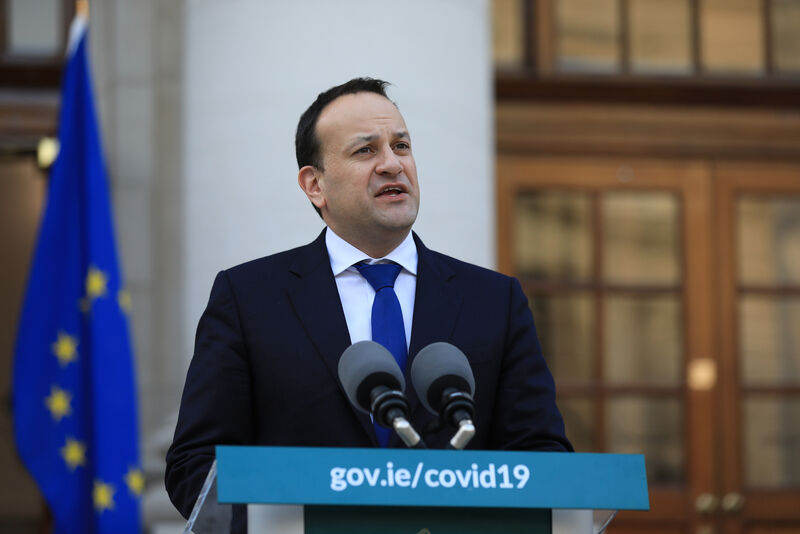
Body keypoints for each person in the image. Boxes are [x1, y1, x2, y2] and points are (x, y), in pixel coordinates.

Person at [165, 77, 572, 519]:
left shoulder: (494, 301)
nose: (392, 164)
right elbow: (197, 466)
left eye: (401, 146)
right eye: (366, 150)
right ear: (314, 184)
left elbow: (543, 458)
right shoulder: (249, 298)